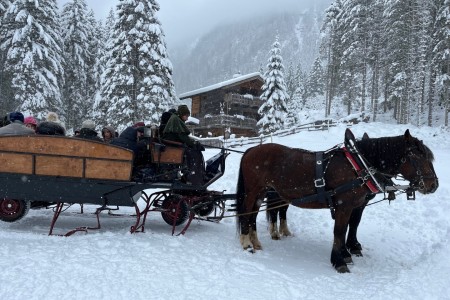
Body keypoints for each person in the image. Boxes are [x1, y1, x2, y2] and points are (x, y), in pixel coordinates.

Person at [163, 105, 205, 185]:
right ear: (182, 114)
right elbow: (182, 136)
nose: (187, 118)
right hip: (172, 145)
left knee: (192, 150)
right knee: (192, 153)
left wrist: (194, 143)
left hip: (174, 144)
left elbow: (182, 136)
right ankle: (191, 176)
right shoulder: (175, 119)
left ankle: (192, 175)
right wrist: (194, 143)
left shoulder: (176, 118)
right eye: (186, 116)